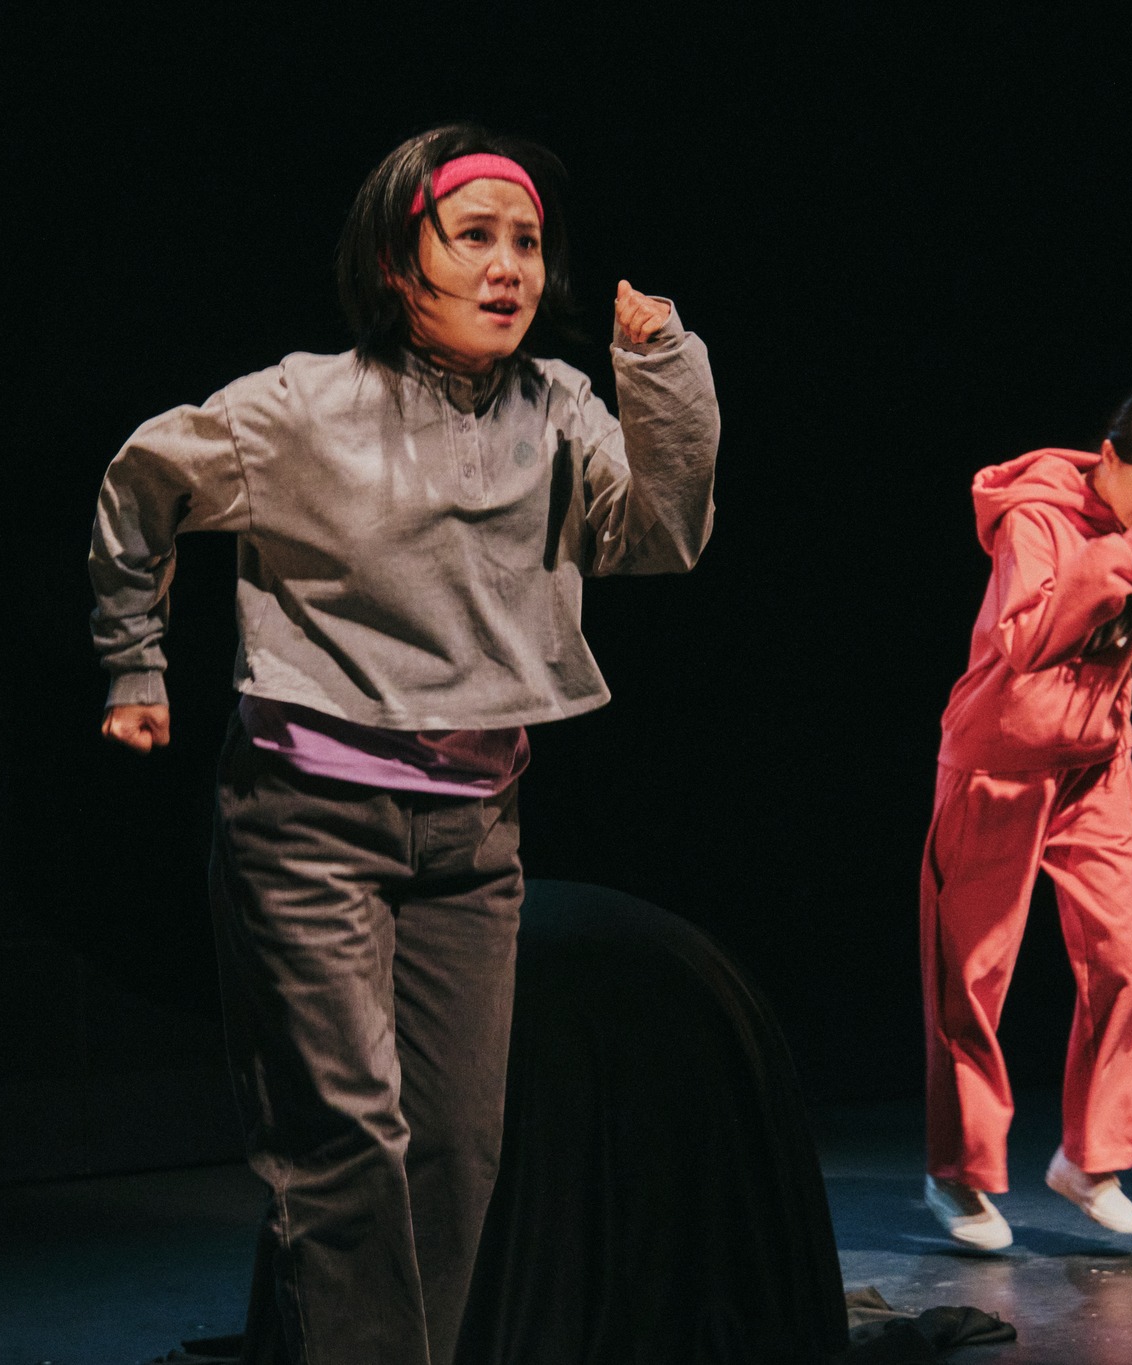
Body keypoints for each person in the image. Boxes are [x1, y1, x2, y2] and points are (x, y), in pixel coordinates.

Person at [87, 124, 719, 1365]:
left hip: (475, 838)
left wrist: (660, 371)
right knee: (345, 1147)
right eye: (473, 236)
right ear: (395, 261)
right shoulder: (301, 406)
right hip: (306, 828)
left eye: (526, 241)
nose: (508, 266)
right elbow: (140, 482)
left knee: (455, 1155)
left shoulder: (559, 407)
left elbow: (659, 534)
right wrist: (132, 662)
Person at [918, 388, 1132, 1251]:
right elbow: (1027, 638)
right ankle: (957, 1172)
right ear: (1109, 457)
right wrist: (1122, 554)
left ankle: (1092, 1157)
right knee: (972, 973)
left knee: (1126, 957)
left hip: (1095, 763)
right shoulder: (1035, 518)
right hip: (999, 760)